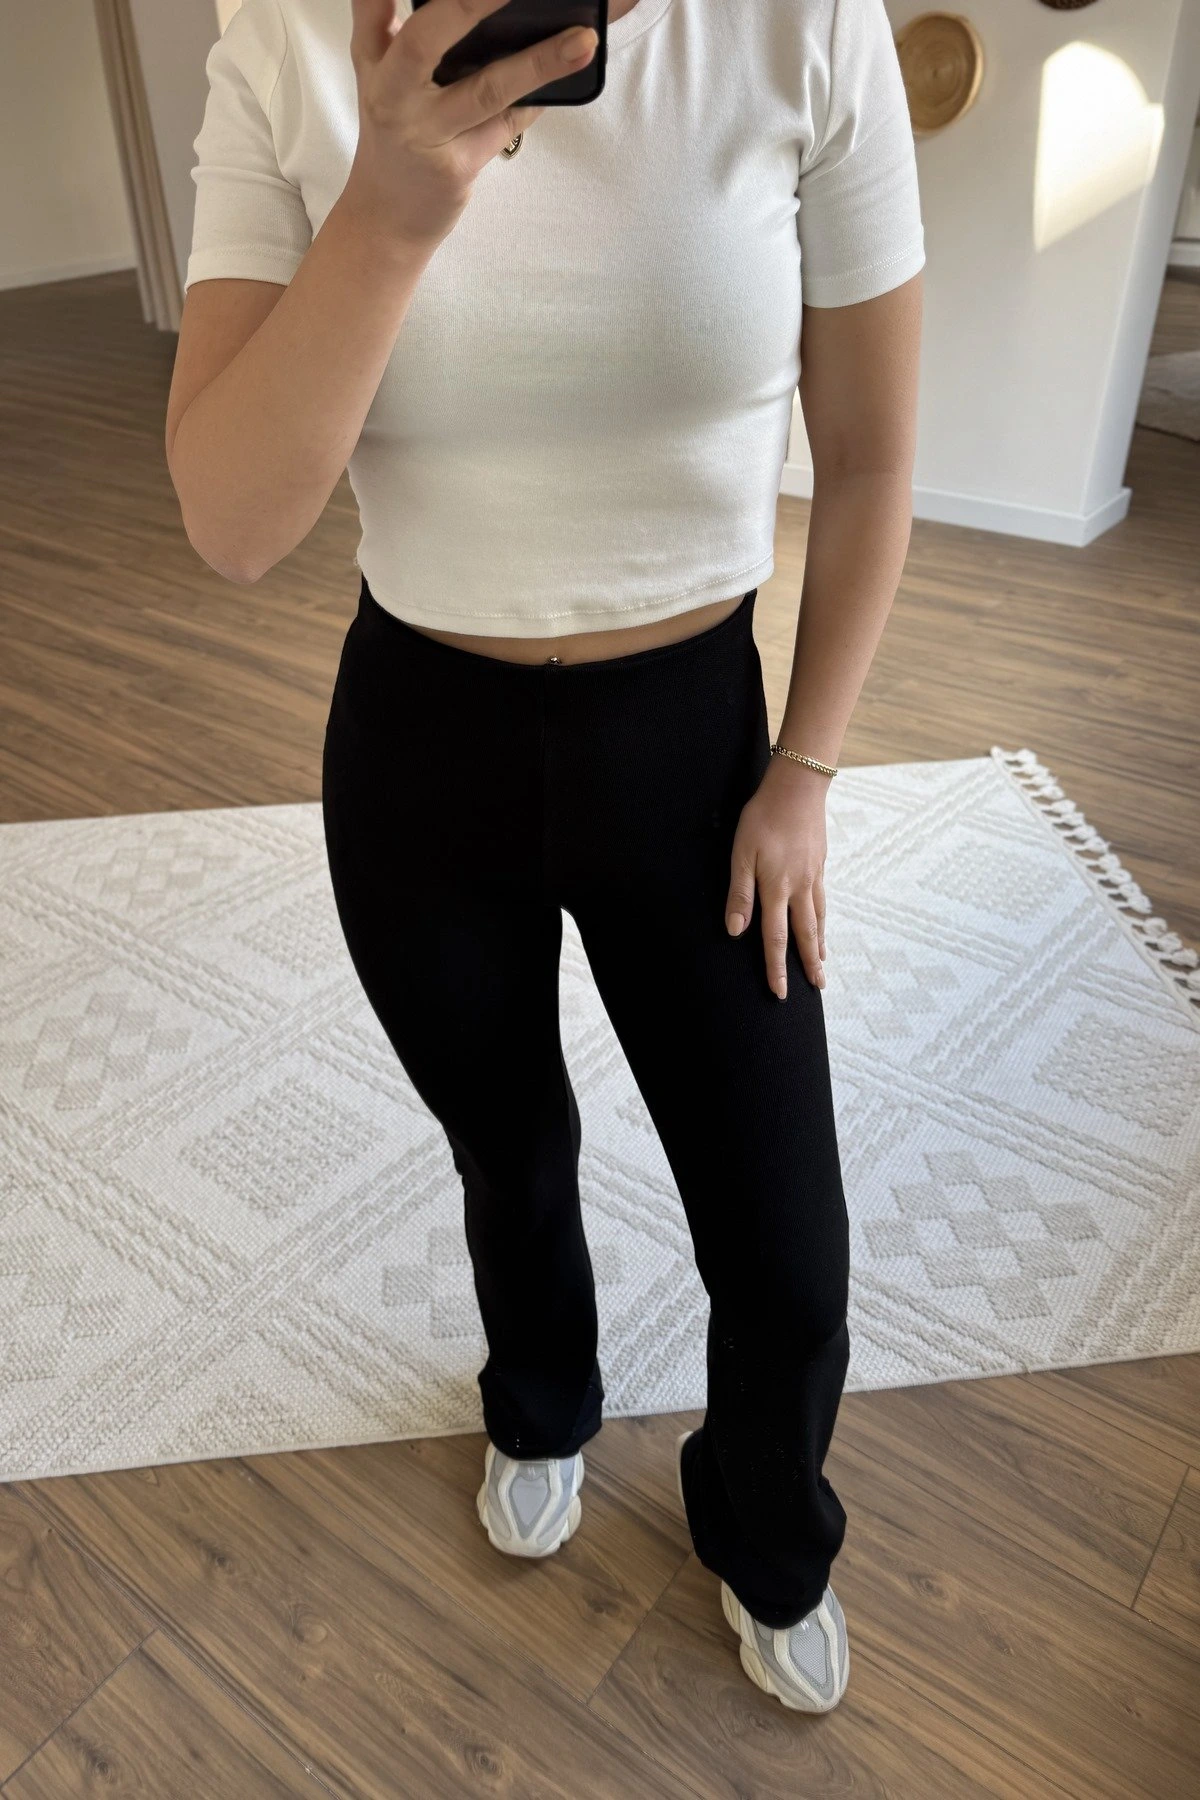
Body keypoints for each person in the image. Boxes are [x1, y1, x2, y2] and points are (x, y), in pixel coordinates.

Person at [167, 0, 924, 1715]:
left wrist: (805, 768)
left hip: (699, 752)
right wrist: (390, 205)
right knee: (507, 1148)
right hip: (418, 747)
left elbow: (875, 458)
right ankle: (542, 1396)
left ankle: (763, 1520)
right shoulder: (276, 34)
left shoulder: (803, 22)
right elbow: (232, 521)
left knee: (785, 1240)